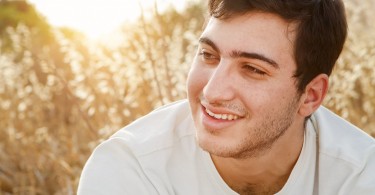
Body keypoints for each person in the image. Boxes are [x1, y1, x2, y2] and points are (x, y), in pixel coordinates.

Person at [77, 0, 375, 194]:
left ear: (310, 95)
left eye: (253, 69)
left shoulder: (361, 176)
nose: (212, 92)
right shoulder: (129, 171)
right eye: (208, 55)